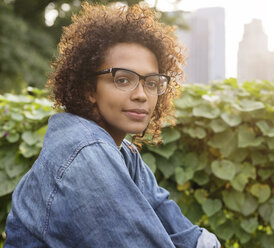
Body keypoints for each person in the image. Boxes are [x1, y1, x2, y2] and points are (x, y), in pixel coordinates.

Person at [4, 2, 220, 247]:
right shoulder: (86, 152)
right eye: (123, 79)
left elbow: (187, 236)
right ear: (89, 89)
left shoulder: (124, 153)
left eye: (151, 82)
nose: (142, 95)